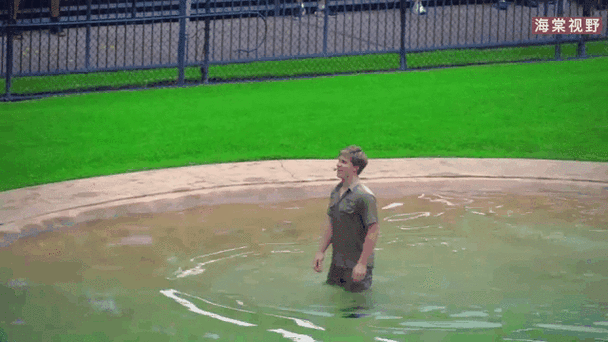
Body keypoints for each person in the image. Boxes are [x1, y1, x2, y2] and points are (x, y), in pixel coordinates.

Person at [312, 145, 379, 293]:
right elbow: (331, 222)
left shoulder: (365, 196)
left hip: (357, 267)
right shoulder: (336, 191)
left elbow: (373, 231)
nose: (338, 165)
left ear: (355, 168)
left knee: (354, 311)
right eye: (339, 161)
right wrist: (321, 251)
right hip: (337, 263)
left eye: (343, 162)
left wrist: (362, 263)